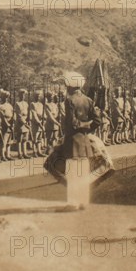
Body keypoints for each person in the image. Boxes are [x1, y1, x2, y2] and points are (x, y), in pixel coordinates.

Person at [44, 72, 114, 211]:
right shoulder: (88, 100)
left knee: (73, 173)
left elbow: (72, 122)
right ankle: (82, 202)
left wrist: (79, 126)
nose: (66, 87)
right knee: (82, 172)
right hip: (85, 141)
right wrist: (87, 128)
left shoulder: (69, 100)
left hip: (72, 141)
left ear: (71, 85)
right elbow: (97, 121)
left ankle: (72, 204)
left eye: (66, 84)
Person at [0, 89, 14, 161]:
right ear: (2, 98)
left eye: (7, 97)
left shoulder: (10, 106)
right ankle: (2, 155)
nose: (6, 98)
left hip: (10, 124)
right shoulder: (0, 106)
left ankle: (8, 154)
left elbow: (13, 114)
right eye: (4, 97)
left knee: (9, 141)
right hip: (4, 125)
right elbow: (2, 117)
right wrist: (7, 124)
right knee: (3, 140)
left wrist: (12, 123)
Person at [15, 89, 31, 159]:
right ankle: (19, 154)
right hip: (20, 123)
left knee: (25, 139)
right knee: (19, 139)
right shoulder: (17, 104)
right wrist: (25, 123)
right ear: (19, 95)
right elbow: (19, 116)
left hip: (26, 122)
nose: (23, 96)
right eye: (21, 95)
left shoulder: (26, 103)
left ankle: (25, 153)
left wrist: (28, 120)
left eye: (24, 95)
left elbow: (28, 113)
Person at [30, 90, 46, 157]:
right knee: (35, 138)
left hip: (41, 123)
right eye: (36, 96)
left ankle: (39, 151)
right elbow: (34, 114)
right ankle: (34, 151)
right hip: (35, 123)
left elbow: (43, 113)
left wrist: (44, 119)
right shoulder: (32, 104)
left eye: (39, 96)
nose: (38, 97)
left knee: (39, 138)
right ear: (34, 97)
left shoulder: (41, 104)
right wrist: (39, 122)